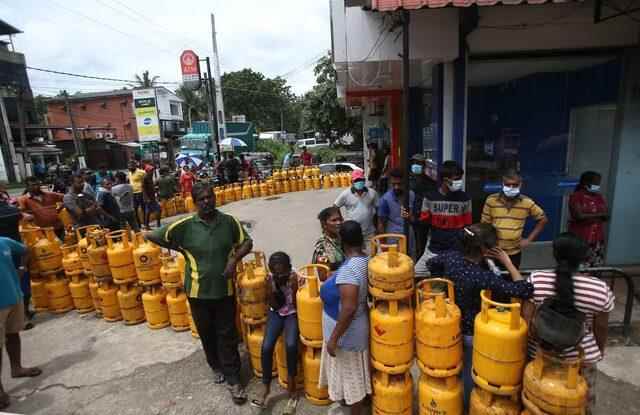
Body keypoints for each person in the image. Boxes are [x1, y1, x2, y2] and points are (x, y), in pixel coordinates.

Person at [146, 182, 253, 404]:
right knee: (207, 332)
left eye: (210, 197)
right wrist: (181, 248)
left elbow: (247, 242)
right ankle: (215, 366)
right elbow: (154, 235)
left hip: (224, 289)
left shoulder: (228, 222)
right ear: (194, 203)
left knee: (227, 334)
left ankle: (234, 379)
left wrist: (234, 259)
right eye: (202, 199)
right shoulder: (186, 225)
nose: (207, 202)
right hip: (198, 292)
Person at [426, 223, 533, 410]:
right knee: (469, 373)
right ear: (485, 250)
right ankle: (468, 406)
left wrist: (441, 289)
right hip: (471, 333)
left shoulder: (452, 258)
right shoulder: (482, 276)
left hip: (448, 326)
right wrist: (507, 261)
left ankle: (450, 402)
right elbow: (523, 289)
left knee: (453, 368)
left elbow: (431, 263)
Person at [526, 233, 614, 414]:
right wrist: (600, 350)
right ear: (583, 258)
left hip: (541, 356)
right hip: (582, 359)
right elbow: (601, 328)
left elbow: (527, 321)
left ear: (555, 254)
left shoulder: (536, 280)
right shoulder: (599, 289)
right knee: (580, 406)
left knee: (537, 404)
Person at [318, 221, 371, 415]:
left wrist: (333, 339)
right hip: (353, 327)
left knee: (352, 378)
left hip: (347, 335)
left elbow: (348, 308)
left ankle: (355, 411)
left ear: (342, 241)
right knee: (350, 374)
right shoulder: (364, 259)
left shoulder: (350, 269)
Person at [251, 252, 301, 413]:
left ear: (288, 268)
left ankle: (292, 388)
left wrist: (293, 287)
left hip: (292, 312)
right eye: (276, 272)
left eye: (282, 271)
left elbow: (296, 303)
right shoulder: (270, 279)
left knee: (291, 345)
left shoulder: (295, 276)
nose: (279, 274)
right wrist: (270, 288)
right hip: (277, 312)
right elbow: (273, 304)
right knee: (266, 347)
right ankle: (265, 387)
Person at [0, 236, 42, 409]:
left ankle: (17, 368)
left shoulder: (4, 242)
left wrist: (22, 268)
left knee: (13, 334)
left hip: (14, 297)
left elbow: (25, 250)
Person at [414, 161, 472, 277]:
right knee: (417, 273)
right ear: (445, 180)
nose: (459, 182)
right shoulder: (430, 197)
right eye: (456, 179)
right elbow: (424, 222)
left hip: (455, 250)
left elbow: (467, 225)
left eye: (460, 178)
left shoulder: (465, 198)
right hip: (434, 248)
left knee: (451, 280)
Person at [481, 169, 548, 269]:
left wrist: (529, 239)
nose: (511, 188)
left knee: (512, 281)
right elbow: (484, 225)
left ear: (520, 185)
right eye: (508, 185)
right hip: (493, 251)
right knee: (490, 282)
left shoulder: (527, 202)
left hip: (514, 253)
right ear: (503, 184)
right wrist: (484, 248)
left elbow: (543, 219)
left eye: (515, 185)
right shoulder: (491, 200)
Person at [568, 171, 609, 267]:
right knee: (579, 265)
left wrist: (594, 215)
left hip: (597, 238)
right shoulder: (576, 196)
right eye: (596, 183)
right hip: (580, 237)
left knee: (596, 265)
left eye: (599, 183)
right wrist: (599, 215)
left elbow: (606, 215)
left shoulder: (598, 197)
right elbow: (578, 216)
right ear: (586, 183)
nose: (598, 185)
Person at [334, 170, 378, 253]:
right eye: (356, 180)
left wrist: (377, 224)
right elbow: (335, 206)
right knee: (356, 256)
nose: (359, 182)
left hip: (369, 231)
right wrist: (341, 220)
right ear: (352, 182)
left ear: (364, 180)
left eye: (360, 180)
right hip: (353, 233)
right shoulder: (345, 194)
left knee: (372, 255)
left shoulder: (372, 193)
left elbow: (378, 208)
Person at [377, 168, 416, 256]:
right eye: (393, 184)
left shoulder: (411, 195)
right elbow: (380, 223)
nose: (396, 187)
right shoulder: (385, 199)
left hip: (409, 236)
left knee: (409, 262)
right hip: (393, 238)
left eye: (399, 184)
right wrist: (384, 246)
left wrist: (409, 216)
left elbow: (414, 219)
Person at [409, 154, 437, 258]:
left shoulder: (430, 182)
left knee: (421, 243)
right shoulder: (407, 180)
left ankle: (419, 263)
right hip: (408, 217)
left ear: (424, 166)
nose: (415, 165)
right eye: (414, 163)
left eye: (418, 163)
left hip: (422, 219)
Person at [312, 206, 345, 274]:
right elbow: (323, 275)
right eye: (334, 220)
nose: (339, 222)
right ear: (324, 225)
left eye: (340, 219)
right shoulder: (322, 246)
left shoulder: (345, 237)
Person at [142, 165, 161, 229]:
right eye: (151, 171)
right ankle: (147, 225)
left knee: (153, 210)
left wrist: (155, 190)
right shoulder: (145, 178)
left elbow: (151, 187)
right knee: (151, 211)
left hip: (152, 197)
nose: (152, 172)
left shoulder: (150, 177)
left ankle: (156, 224)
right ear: (148, 171)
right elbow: (143, 189)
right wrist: (147, 198)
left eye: (152, 170)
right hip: (148, 198)